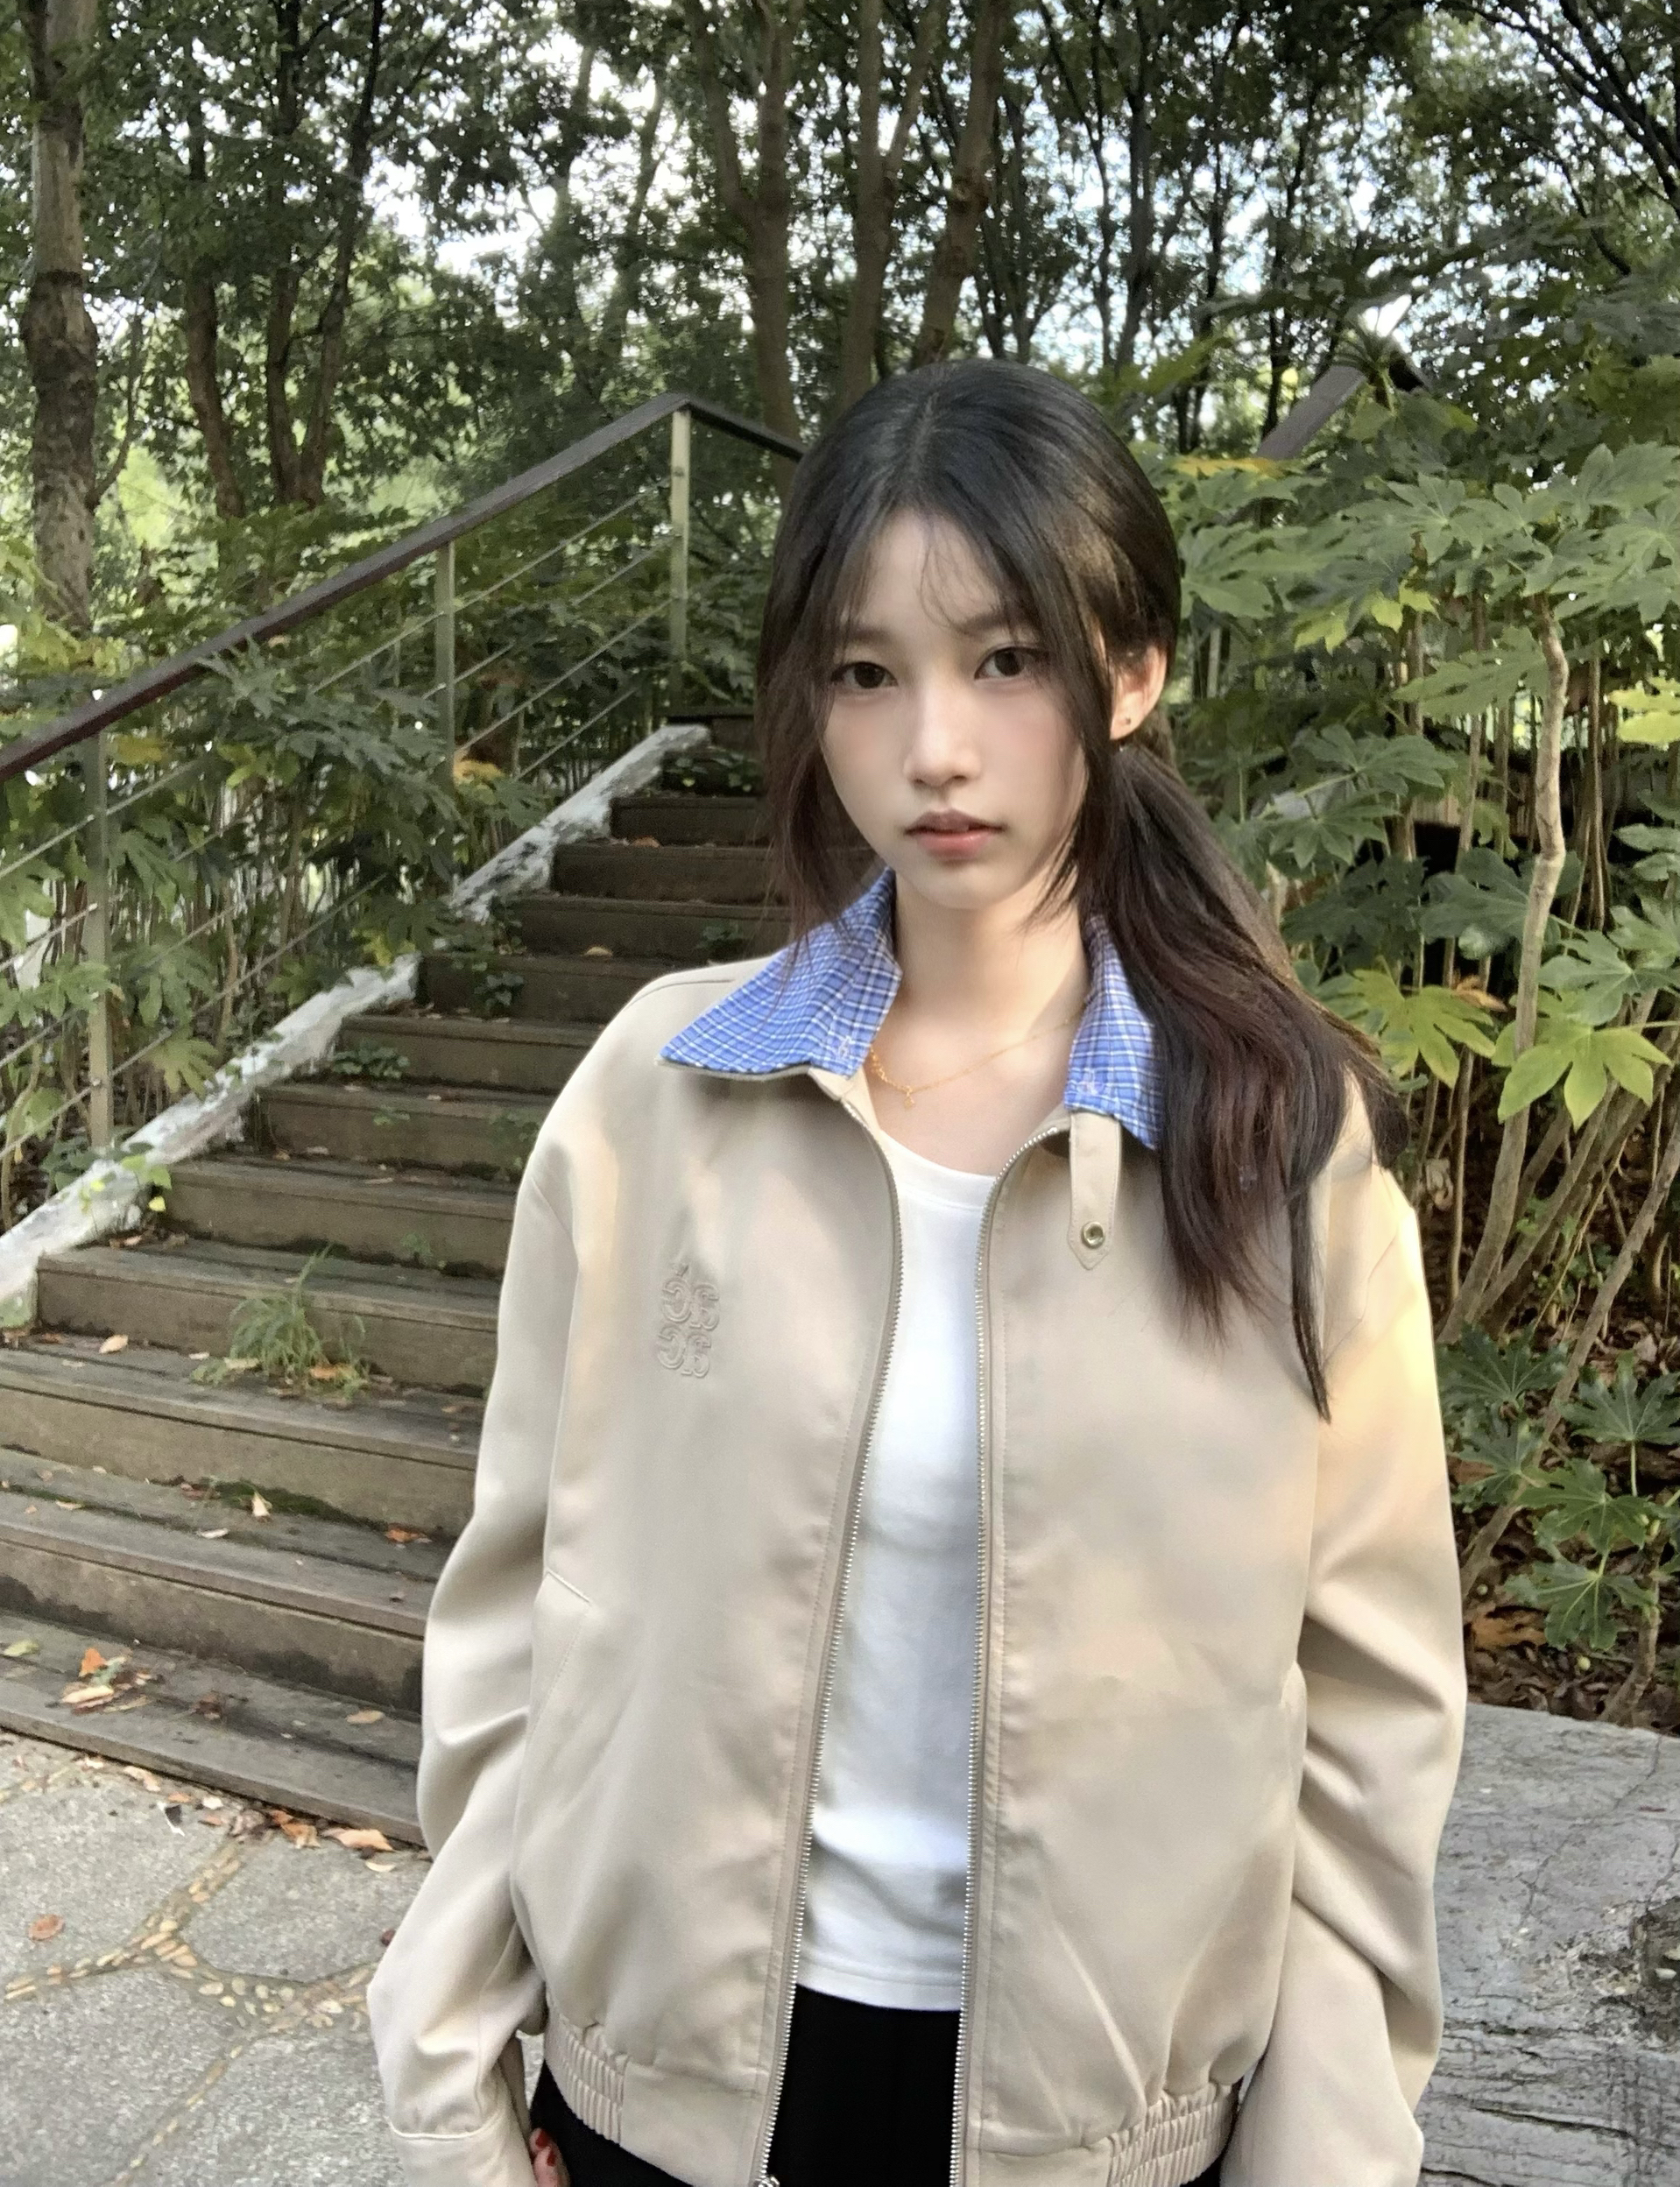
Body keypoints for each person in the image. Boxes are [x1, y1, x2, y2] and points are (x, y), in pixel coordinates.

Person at [368, 360, 1467, 2187]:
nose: (934, 747)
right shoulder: (656, 1094)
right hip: (674, 2098)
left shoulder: (1277, 1142)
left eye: (1005, 660)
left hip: (1095, 2128)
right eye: (866, 672)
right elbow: (521, 1616)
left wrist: (1323, 2156)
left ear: (1131, 670)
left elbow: (1367, 1714)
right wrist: (454, 2064)